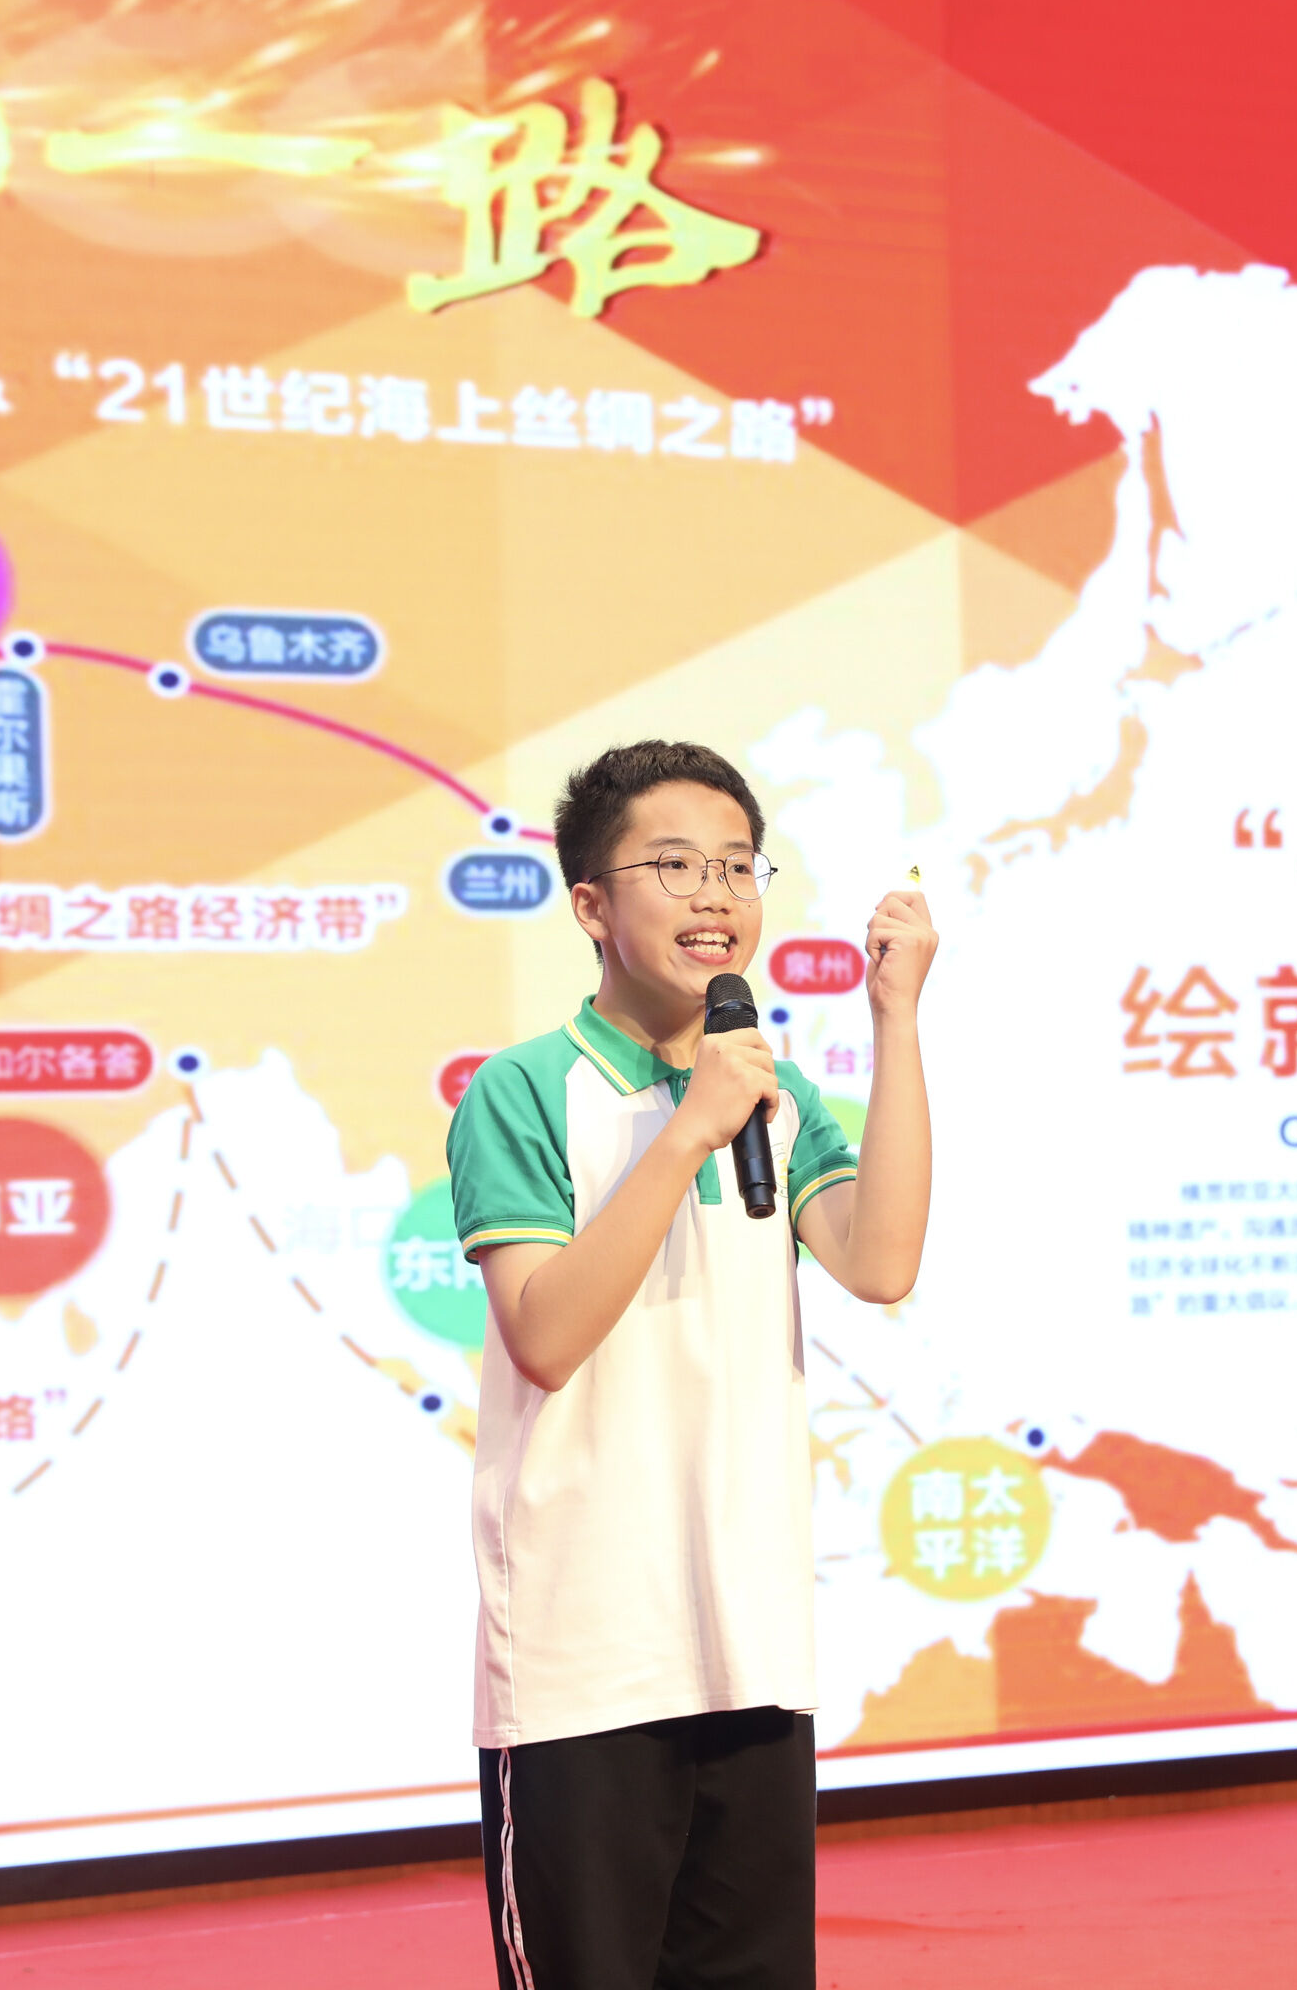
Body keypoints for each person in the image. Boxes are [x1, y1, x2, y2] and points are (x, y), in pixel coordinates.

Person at [447, 739, 937, 1989]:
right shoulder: (522, 1091)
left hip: (751, 1641)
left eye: (736, 864)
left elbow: (881, 1260)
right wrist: (684, 1133)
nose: (715, 894)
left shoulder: (777, 1094)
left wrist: (894, 1023)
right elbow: (545, 1333)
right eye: (674, 865)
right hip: (583, 1661)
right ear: (592, 905)